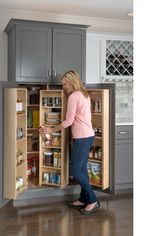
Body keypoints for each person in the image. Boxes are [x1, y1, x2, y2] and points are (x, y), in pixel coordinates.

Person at [41, 70, 100, 215]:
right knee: (82, 169)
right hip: (88, 135)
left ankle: (92, 200)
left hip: (81, 137)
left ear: (72, 82)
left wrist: (50, 129)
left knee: (75, 170)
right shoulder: (84, 93)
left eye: (65, 84)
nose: (63, 87)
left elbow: (68, 121)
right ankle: (83, 198)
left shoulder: (74, 96)